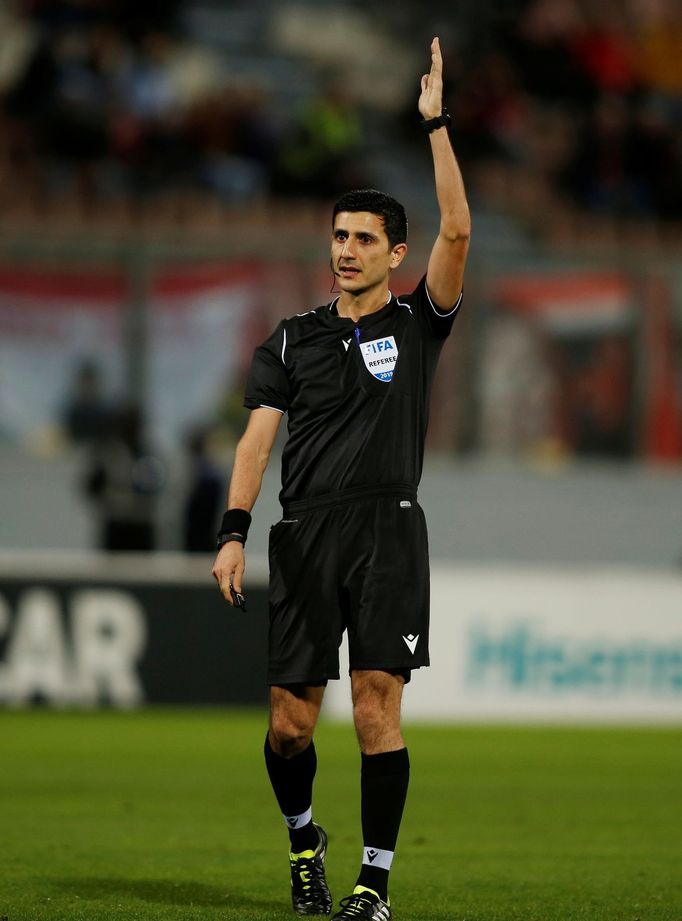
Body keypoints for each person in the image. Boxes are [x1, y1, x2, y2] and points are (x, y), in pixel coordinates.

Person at [212, 37, 470, 921]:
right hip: (306, 528)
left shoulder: (419, 320)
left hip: (390, 529)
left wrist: (434, 124)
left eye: (364, 239)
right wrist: (235, 528)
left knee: (374, 709)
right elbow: (255, 441)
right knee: (290, 724)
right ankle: (303, 843)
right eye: (339, 236)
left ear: (396, 253)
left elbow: (461, 229)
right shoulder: (290, 339)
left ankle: (375, 884)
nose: (347, 249)